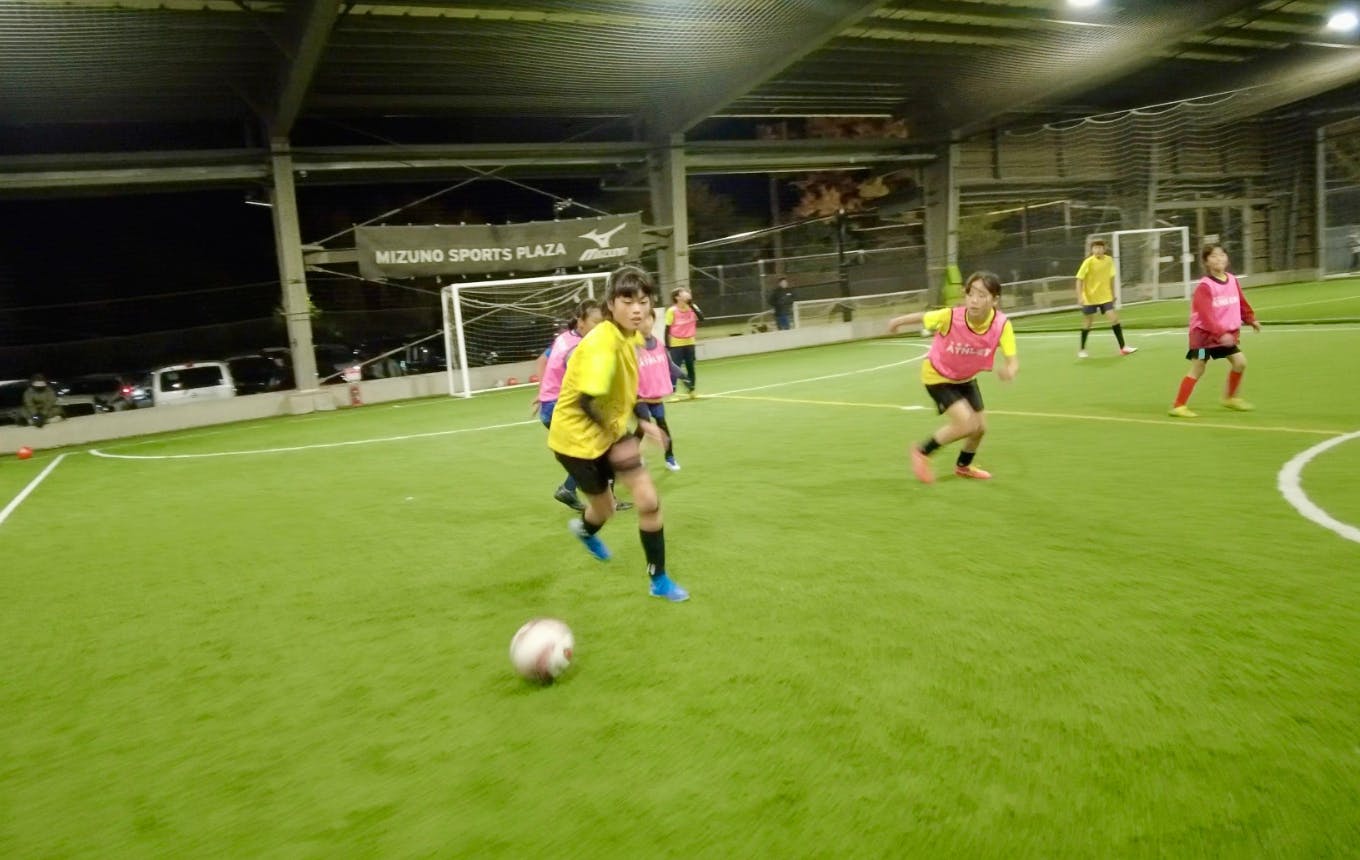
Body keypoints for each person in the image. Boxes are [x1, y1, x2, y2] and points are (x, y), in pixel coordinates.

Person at [547, 266, 689, 602]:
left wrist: (642, 422)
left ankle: (659, 580)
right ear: (611, 304)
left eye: (643, 301)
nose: (637, 309)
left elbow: (627, 386)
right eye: (627, 301)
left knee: (649, 502)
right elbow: (586, 402)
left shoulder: (631, 336)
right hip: (576, 442)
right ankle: (585, 530)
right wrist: (619, 440)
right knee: (605, 509)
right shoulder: (601, 344)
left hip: (610, 432)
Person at [886, 271, 1018, 483]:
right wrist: (896, 322)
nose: (974, 300)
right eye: (970, 294)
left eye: (982, 295)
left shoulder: (1002, 325)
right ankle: (922, 452)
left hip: (965, 378)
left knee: (980, 428)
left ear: (995, 300)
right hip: (937, 376)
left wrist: (1010, 370)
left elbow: (1012, 360)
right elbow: (923, 317)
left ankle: (963, 467)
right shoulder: (950, 316)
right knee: (967, 425)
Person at [1168, 244, 1261, 418]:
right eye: (1213, 256)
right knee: (1198, 367)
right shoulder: (1205, 287)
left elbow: (1241, 303)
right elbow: (1206, 316)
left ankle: (1230, 398)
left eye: (1222, 254)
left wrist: (1250, 319)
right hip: (1203, 337)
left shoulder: (1232, 280)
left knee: (1240, 363)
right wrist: (1221, 334)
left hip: (1223, 336)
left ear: (1227, 258)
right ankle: (1178, 406)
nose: (1219, 258)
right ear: (1206, 262)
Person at [534, 299, 603, 511]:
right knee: (598, 448)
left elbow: (542, 360)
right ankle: (577, 492)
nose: (599, 327)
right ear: (581, 322)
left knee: (588, 451)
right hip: (560, 408)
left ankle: (571, 489)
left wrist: (542, 390)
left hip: (550, 406)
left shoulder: (564, 337)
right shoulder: (578, 347)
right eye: (595, 322)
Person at [1074, 239, 1137, 358]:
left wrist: (1113, 294)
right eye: (1095, 248)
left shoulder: (1109, 260)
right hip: (1090, 298)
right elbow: (1079, 280)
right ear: (1092, 250)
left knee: (1114, 319)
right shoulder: (1088, 262)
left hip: (1105, 297)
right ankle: (1082, 349)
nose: (1097, 250)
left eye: (1100, 247)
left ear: (1104, 249)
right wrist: (1080, 296)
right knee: (1088, 323)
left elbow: (1111, 278)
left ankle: (1123, 348)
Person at [636, 320, 683, 471]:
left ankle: (670, 458)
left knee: (662, 423)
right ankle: (634, 455)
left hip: (654, 395)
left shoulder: (659, 344)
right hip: (638, 395)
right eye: (642, 321)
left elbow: (670, 365)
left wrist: (683, 375)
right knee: (644, 422)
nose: (646, 324)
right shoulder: (630, 346)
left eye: (649, 320)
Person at [664, 287, 703, 400]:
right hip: (676, 343)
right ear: (677, 297)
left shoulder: (692, 307)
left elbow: (702, 318)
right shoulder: (672, 311)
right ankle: (673, 393)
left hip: (690, 341)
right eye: (683, 293)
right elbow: (667, 328)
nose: (686, 294)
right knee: (675, 368)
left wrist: (692, 305)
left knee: (691, 367)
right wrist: (667, 344)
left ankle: (692, 390)